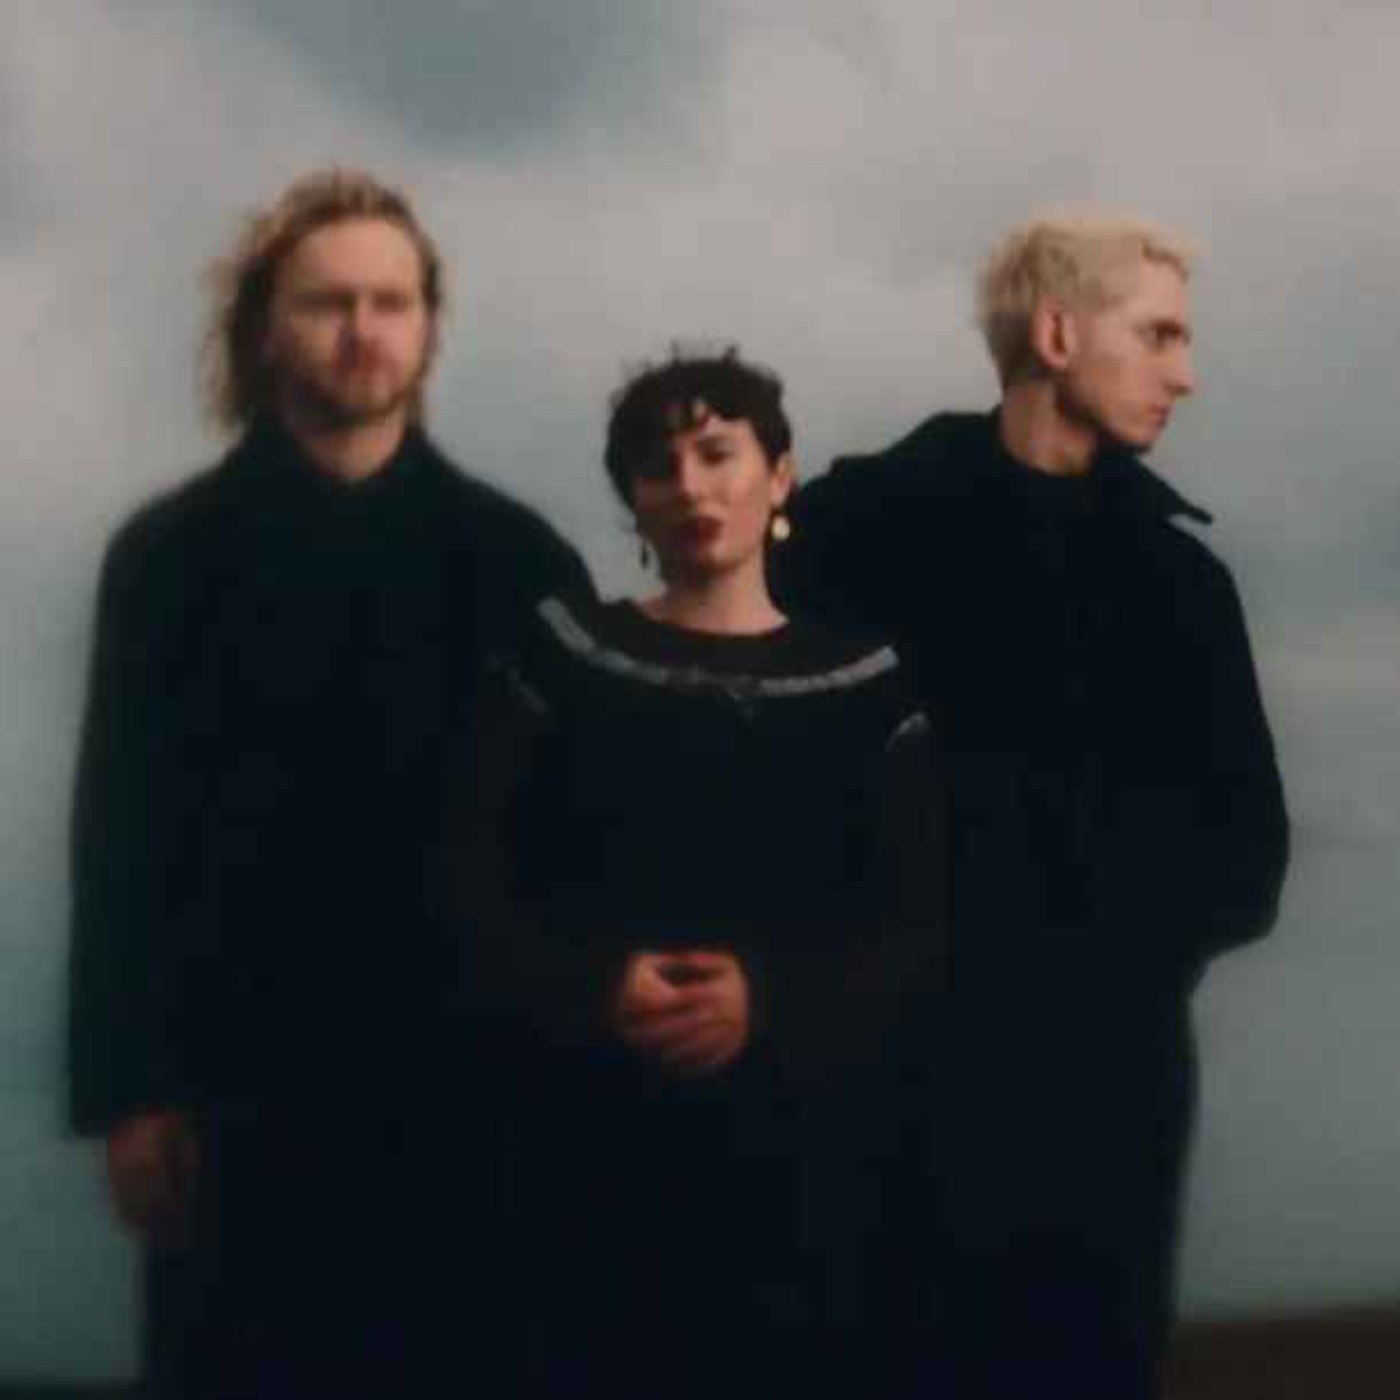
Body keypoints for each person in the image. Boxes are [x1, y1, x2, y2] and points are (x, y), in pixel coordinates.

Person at [66, 168, 590, 1399]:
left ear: (429, 327)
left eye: (390, 302)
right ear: (264, 327)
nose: (363, 330)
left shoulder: (518, 563)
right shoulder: (169, 557)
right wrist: (131, 1094)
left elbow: (575, 843)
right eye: (328, 302)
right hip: (236, 1101)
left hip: (474, 1095)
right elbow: (122, 833)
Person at [775, 215, 1290, 1399]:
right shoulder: (851, 534)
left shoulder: (1181, 583)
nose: (1184, 373)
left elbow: (1245, 859)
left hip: (1102, 1111)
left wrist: (1092, 962)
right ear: (1055, 334)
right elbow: (765, 784)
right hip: (882, 1103)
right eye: (1156, 335)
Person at [436, 349, 948, 1400]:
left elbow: (916, 917)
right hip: (583, 1142)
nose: (690, 486)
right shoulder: (563, 653)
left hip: (806, 1159)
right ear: (631, 496)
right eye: (658, 464)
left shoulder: (867, 683)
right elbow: (468, 873)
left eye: (717, 453)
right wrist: (594, 983)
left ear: (779, 474)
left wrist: (770, 997)